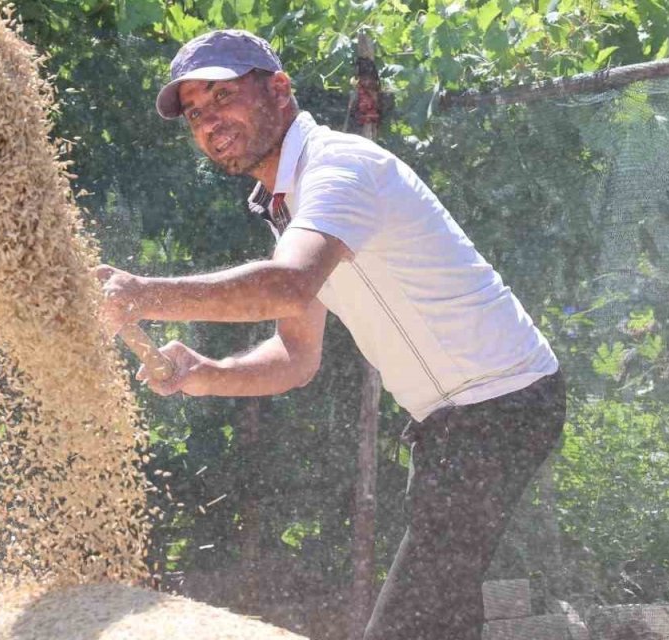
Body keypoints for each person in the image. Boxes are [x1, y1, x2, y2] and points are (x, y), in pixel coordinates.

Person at [93, 29, 567, 640]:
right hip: (452, 422)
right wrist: (207, 374)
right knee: (440, 609)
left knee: (415, 617)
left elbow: (288, 286)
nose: (211, 121)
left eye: (223, 96)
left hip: (503, 405)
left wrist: (145, 294)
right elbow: (296, 356)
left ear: (280, 90)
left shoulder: (339, 167)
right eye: (196, 113)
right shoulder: (288, 203)